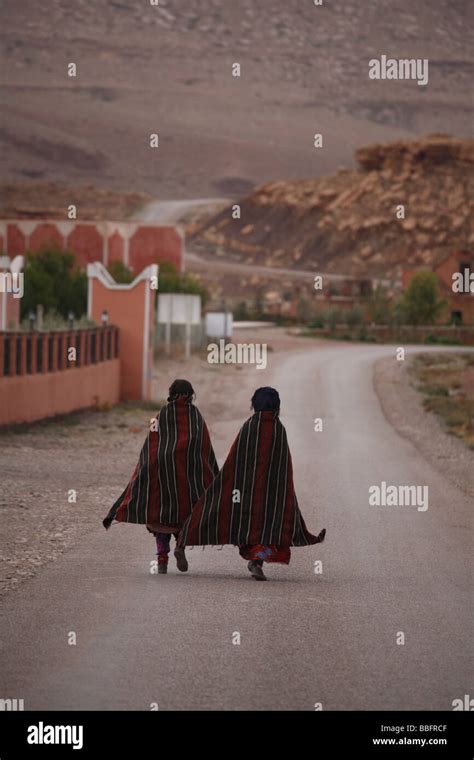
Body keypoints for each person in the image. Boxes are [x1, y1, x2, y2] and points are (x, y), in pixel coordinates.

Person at [178, 387, 326, 581]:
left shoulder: (250, 427)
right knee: (266, 528)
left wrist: (224, 485)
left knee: (217, 512)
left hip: (243, 494)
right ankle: (257, 562)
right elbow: (284, 470)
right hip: (269, 498)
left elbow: (234, 461)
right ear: (276, 406)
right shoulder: (278, 430)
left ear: (254, 405)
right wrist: (282, 495)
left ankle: (182, 543)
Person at [103, 380, 219, 574]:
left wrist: (145, 470)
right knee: (184, 513)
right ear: (191, 395)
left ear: (171, 393)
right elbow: (204, 447)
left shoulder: (162, 414)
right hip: (188, 473)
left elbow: (151, 445)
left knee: (161, 517)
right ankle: (180, 546)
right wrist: (211, 475)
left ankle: (162, 559)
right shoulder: (195, 415)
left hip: (163, 471)